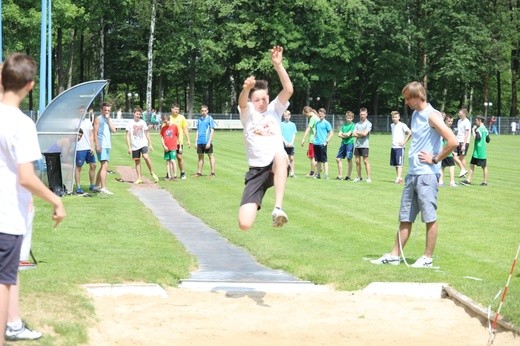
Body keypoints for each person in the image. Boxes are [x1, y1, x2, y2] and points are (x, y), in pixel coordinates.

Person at [0, 53, 66, 345]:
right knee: (4, 282)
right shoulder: (22, 124)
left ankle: (13, 325)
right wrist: (56, 200)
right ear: (30, 85)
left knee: (8, 276)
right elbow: (26, 176)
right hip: (6, 216)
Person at [371, 81, 457, 268]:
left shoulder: (432, 115)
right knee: (405, 216)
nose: (406, 102)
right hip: (412, 174)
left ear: (418, 97)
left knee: (429, 217)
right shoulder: (416, 115)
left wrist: (435, 158)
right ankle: (395, 255)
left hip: (427, 174)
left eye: (408, 98)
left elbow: (452, 141)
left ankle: (427, 257)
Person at [237, 45, 293, 230]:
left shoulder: (275, 109)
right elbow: (242, 102)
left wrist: (278, 65)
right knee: (244, 224)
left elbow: (289, 89)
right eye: (257, 99)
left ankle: (278, 208)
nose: (261, 103)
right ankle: (262, 206)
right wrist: (246, 89)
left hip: (276, 166)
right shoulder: (248, 113)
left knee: (280, 154)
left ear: (268, 98)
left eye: (264, 98)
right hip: (257, 171)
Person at [125, 107, 159, 184]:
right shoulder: (130, 123)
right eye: (137, 114)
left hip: (143, 143)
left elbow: (147, 133)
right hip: (134, 145)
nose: (138, 115)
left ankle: (152, 172)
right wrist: (129, 147)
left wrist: (150, 144)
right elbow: (127, 135)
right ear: (134, 114)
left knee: (146, 156)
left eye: (139, 114)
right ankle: (139, 178)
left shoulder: (143, 122)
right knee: (137, 161)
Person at [93, 102, 116, 194]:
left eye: (109, 110)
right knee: (105, 165)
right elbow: (95, 132)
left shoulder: (108, 119)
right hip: (101, 145)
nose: (107, 112)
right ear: (101, 110)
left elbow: (114, 130)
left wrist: (109, 119)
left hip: (107, 145)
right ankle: (103, 187)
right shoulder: (98, 119)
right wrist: (97, 145)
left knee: (103, 166)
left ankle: (96, 186)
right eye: (105, 110)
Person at [460, 116, 490, 186]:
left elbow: (476, 138)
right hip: (483, 152)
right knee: (484, 167)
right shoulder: (485, 130)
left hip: (477, 152)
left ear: (480, 120)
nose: (475, 122)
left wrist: (473, 130)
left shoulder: (479, 129)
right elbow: (488, 140)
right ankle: (485, 182)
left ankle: (468, 180)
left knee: (471, 165)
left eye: (476, 120)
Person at [75, 108, 97, 194]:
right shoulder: (75, 122)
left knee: (93, 165)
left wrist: (92, 146)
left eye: (83, 111)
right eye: (80, 111)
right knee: (78, 167)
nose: (82, 113)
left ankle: (92, 185)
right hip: (79, 149)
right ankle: (78, 187)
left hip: (88, 148)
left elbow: (91, 135)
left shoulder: (88, 122)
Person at [169, 104, 191, 179]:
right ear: (171, 109)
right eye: (175, 109)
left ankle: (182, 172)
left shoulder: (181, 118)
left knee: (179, 157)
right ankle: (170, 174)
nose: (176, 111)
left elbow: (185, 129)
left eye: (178, 109)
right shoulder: (169, 118)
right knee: (171, 158)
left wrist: (188, 139)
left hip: (179, 142)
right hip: (170, 142)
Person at [390, 111, 412, 184]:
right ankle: (399, 177)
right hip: (393, 146)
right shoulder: (392, 125)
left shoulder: (402, 125)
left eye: (396, 117)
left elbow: (410, 133)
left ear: (399, 117)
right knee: (396, 164)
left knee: (400, 163)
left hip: (400, 147)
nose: (394, 119)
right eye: (393, 117)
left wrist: (404, 142)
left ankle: (398, 177)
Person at [195, 105, 216, 177]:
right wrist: (196, 141)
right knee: (200, 157)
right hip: (200, 142)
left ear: (207, 111)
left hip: (207, 141)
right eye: (202, 111)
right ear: (200, 111)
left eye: (205, 111)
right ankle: (199, 172)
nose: (203, 112)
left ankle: (213, 173)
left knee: (210, 156)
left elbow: (212, 130)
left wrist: (209, 142)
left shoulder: (210, 119)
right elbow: (197, 130)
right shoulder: (199, 119)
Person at [352, 107, 372, 182]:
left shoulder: (368, 124)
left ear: (366, 114)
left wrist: (359, 133)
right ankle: (359, 177)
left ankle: (368, 177)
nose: (362, 116)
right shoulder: (357, 124)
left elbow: (365, 133)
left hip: (364, 145)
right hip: (357, 145)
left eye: (363, 114)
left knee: (365, 161)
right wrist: (361, 133)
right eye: (361, 114)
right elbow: (353, 134)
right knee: (357, 161)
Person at [313, 108, 333, 179]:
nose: (320, 115)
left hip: (322, 144)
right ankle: (318, 174)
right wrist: (314, 140)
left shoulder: (327, 123)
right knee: (318, 160)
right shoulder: (317, 123)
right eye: (319, 114)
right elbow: (316, 132)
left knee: (324, 160)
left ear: (324, 115)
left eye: (322, 114)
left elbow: (331, 133)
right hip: (316, 143)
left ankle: (326, 174)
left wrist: (326, 141)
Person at [335, 111, 355, 180]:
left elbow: (348, 134)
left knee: (349, 159)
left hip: (349, 143)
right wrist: (345, 135)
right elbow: (339, 134)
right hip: (343, 143)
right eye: (347, 118)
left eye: (350, 118)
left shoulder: (353, 125)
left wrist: (344, 135)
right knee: (338, 159)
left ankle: (348, 176)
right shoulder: (344, 126)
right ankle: (340, 175)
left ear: (352, 118)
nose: (348, 119)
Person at [438, 115, 457, 187]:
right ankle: (451, 182)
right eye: (448, 121)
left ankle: (440, 181)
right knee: (451, 166)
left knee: (442, 166)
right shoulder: (445, 129)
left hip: (445, 151)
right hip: (446, 151)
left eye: (451, 121)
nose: (450, 123)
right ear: (445, 121)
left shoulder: (445, 129)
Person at [300, 106, 318, 177]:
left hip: (313, 140)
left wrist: (303, 138)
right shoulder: (317, 117)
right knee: (311, 156)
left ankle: (312, 173)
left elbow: (308, 128)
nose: (306, 116)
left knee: (312, 157)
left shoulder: (313, 118)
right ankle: (318, 169)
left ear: (307, 112)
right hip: (317, 140)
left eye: (305, 114)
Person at [160, 114, 179, 180]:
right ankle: (169, 176)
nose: (165, 123)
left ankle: (175, 175)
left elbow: (177, 135)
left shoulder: (174, 127)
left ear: (169, 120)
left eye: (166, 122)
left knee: (173, 160)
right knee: (167, 161)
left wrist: (178, 144)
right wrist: (164, 146)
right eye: (164, 122)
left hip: (173, 146)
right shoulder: (163, 128)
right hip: (166, 147)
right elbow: (162, 137)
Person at [454, 108, 471, 178]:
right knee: (454, 156)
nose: (458, 114)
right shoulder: (459, 121)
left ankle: (463, 171)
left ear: (464, 114)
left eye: (459, 113)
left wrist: (464, 145)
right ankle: (463, 170)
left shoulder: (467, 122)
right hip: (458, 141)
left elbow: (467, 134)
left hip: (464, 142)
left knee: (461, 158)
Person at [281, 110, 297, 177]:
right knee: (285, 158)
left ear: (290, 116)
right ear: (283, 116)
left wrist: (291, 142)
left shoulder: (293, 124)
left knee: (292, 158)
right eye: (285, 116)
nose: (286, 117)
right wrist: (285, 142)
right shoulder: (281, 124)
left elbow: (294, 134)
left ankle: (292, 172)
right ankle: (284, 172)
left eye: (288, 116)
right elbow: (280, 134)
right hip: (283, 145)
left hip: (291, 145)